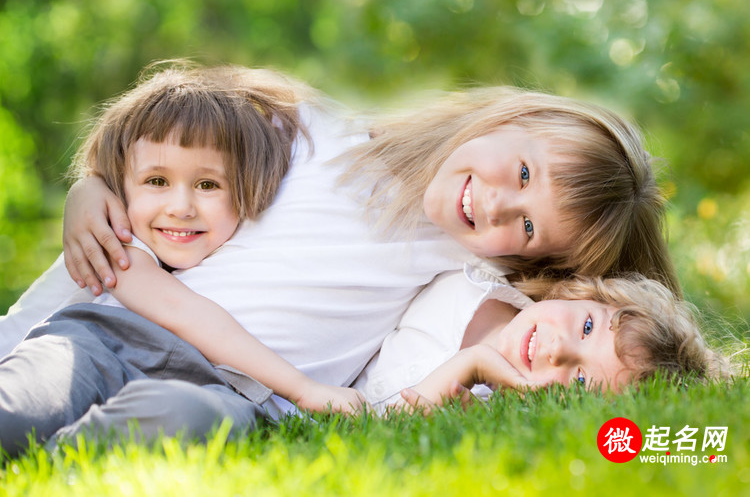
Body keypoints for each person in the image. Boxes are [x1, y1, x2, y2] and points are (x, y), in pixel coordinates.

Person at [1, 62, 677, 450]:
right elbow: (154, 135)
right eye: (524, 173)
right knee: (28, 403)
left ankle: (59, 468)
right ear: (510, 119)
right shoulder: (308, 124)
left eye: (527, 228)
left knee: (191, 421)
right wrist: (91, 183)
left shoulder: (461, 271)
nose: (497, 205)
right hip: (112, 334)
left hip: (231, 394)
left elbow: (575, 333)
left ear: (533, 264)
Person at [0, 63, 371, 457]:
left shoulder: (260, 243)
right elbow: (177, 307)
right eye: (156, 181)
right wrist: (303, 389)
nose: (180, 207)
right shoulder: (123, 237)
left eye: (207, 185)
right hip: (96, 349)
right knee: (22, 407)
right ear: (120, 187)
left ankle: (50, 458)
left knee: (191, 417)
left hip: (213, 387)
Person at [353, 271, 729, 415]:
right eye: (586, 327)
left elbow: (374, 432)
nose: (559, 350)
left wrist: (471, 363)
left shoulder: (483, 414)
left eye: (581, 382)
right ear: (588, 293)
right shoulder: (470, 280)